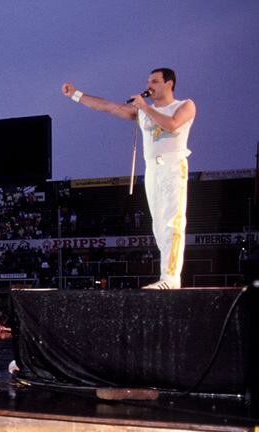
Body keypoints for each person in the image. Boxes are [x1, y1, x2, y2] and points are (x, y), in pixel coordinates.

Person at [62, 68, 196, 289]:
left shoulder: (184, 105)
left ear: (169, 83)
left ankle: (171, 277)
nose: (149, 85)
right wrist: (76, 94)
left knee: (174, 222)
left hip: (173, 166)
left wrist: (144, 108)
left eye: (154, 81)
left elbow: (172, 124)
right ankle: (167, 276)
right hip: (152, 169)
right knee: (159, 226)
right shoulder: (144, 111)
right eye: (147, 81)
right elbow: (109, 106)